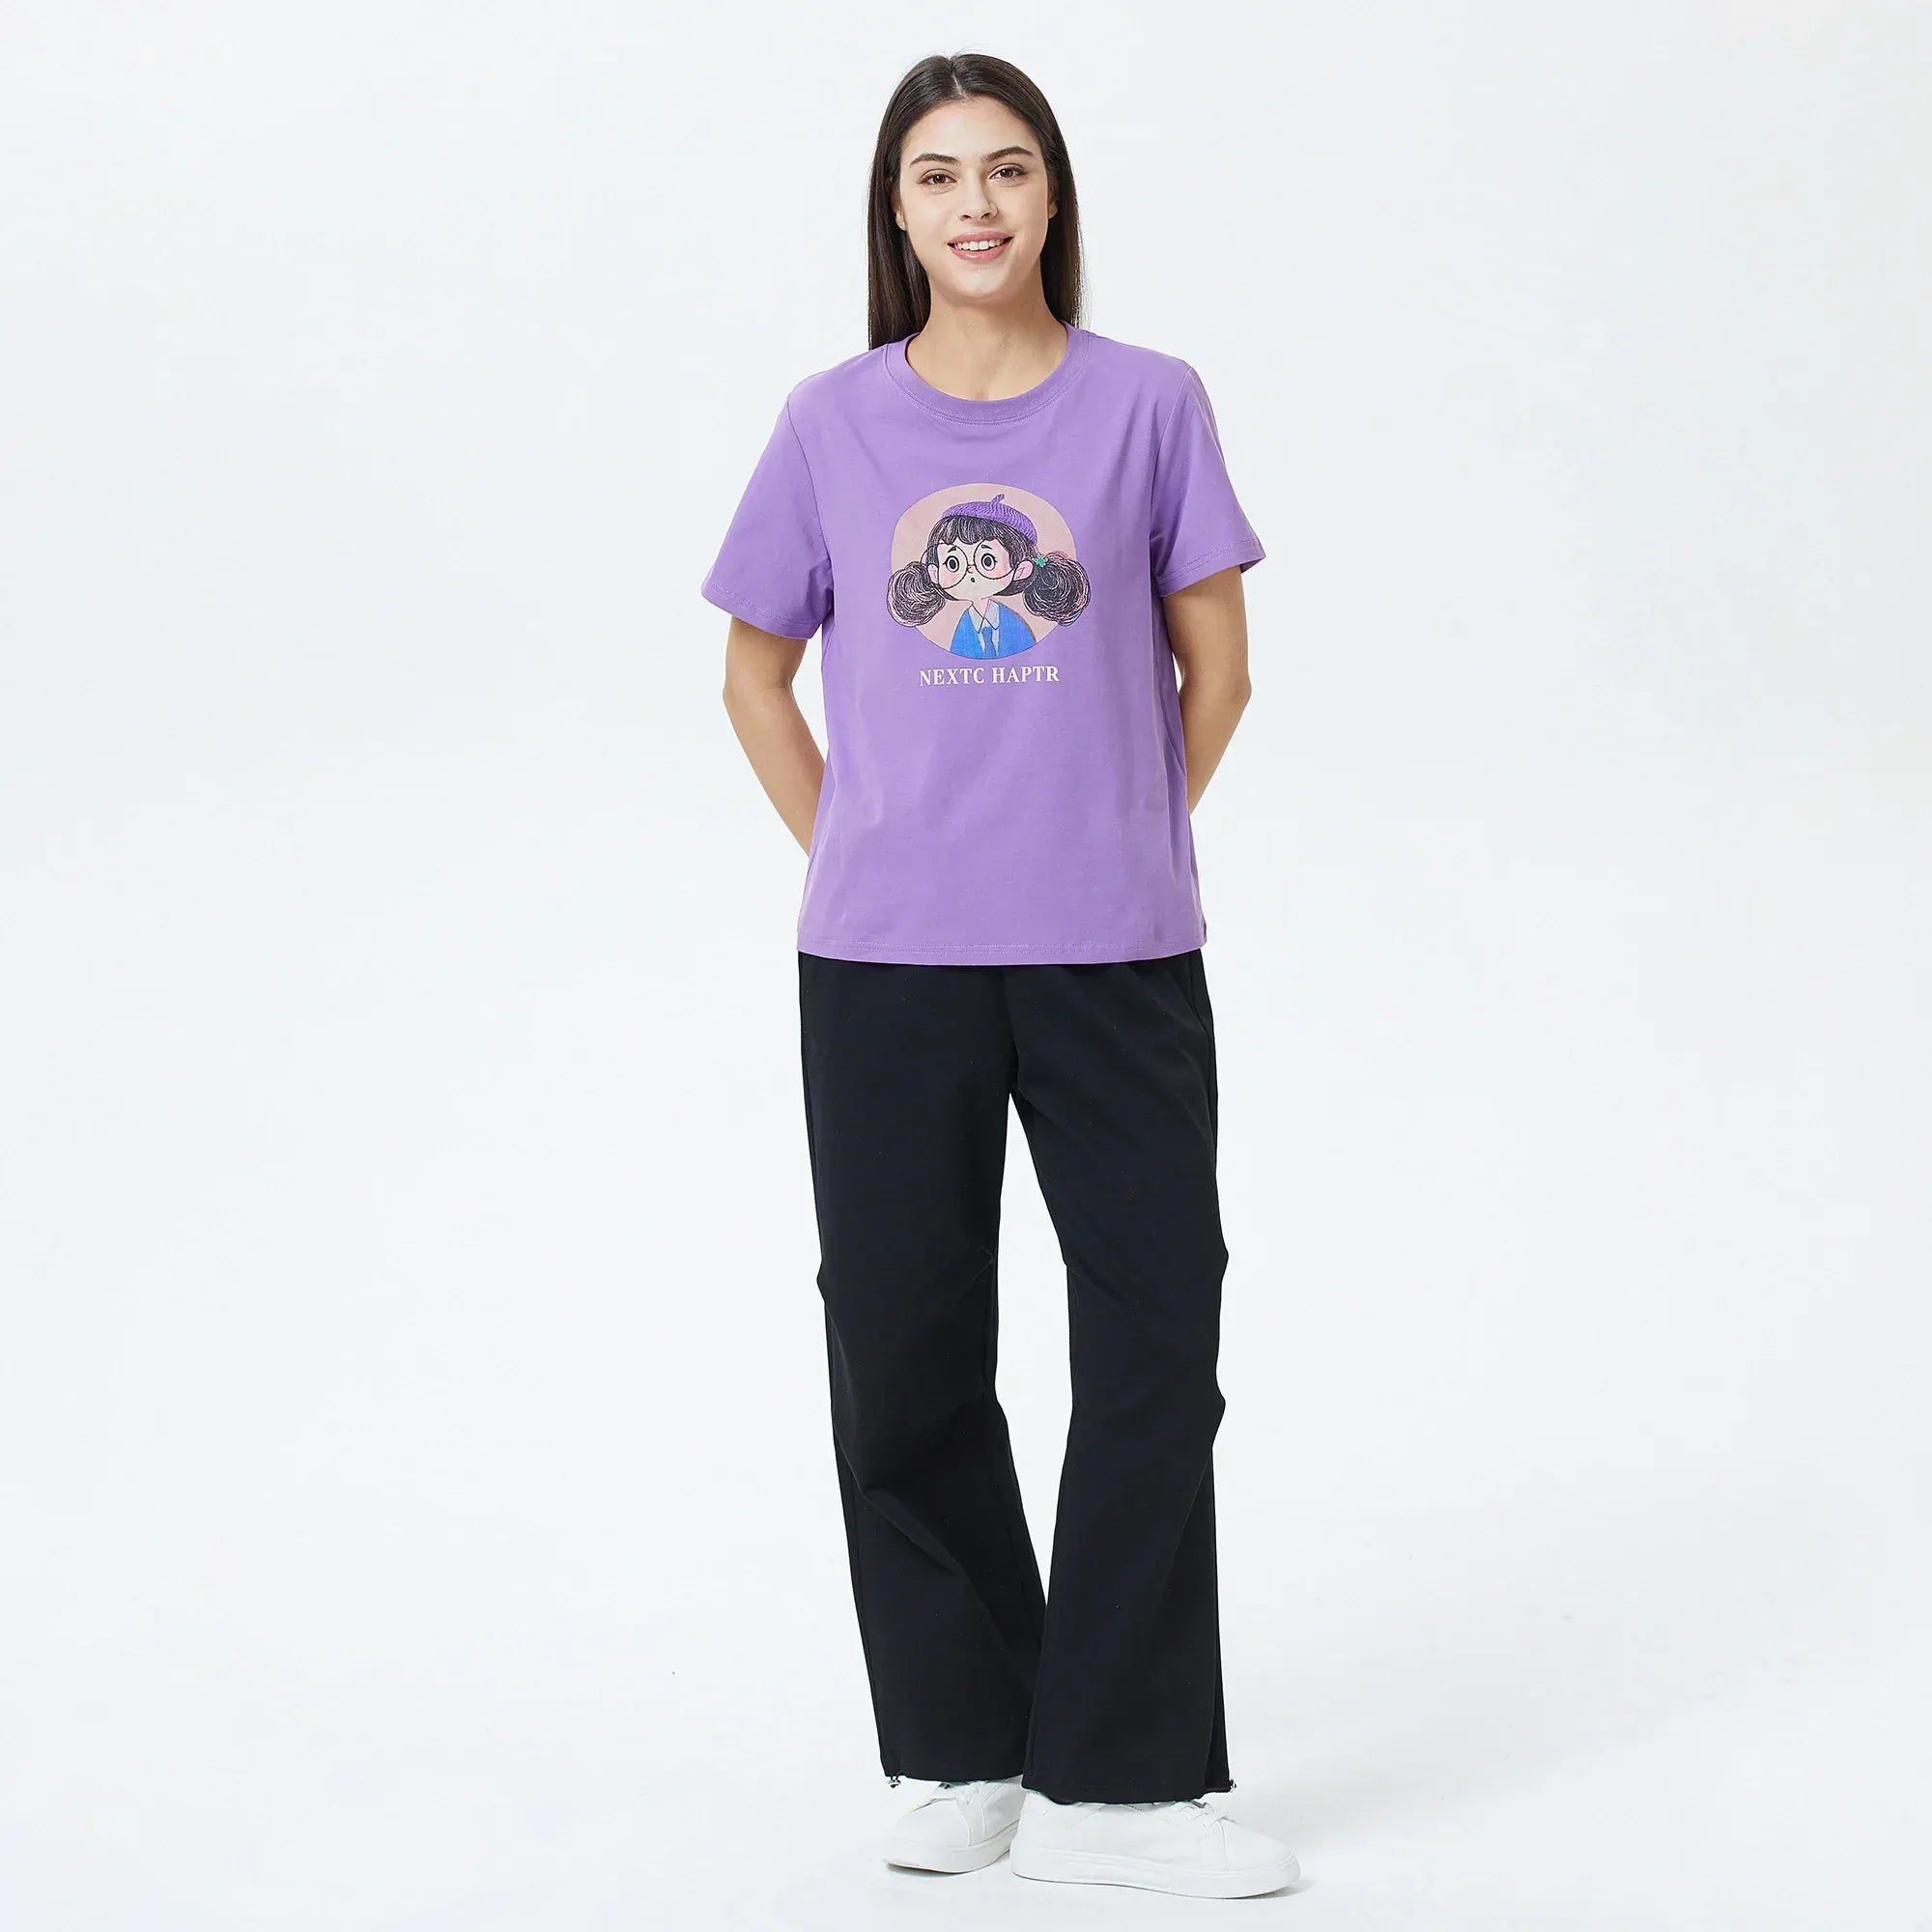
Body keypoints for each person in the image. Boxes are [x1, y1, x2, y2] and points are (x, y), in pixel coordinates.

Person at [699, 52, 1301, 1901]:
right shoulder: (829, 423)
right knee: (903, 1345)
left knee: (1155, 1336)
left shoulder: (1149, 404)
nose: (976, 203)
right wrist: (866, 849)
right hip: (887, 964)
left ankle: (1118, 1784)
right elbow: (753, 675)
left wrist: (1113, 826)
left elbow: (1220, 670)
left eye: (1009, 169)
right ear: (896, 210)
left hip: (1116, 949)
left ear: (1052, 199)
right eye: (940, 173)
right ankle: (963, 1750)